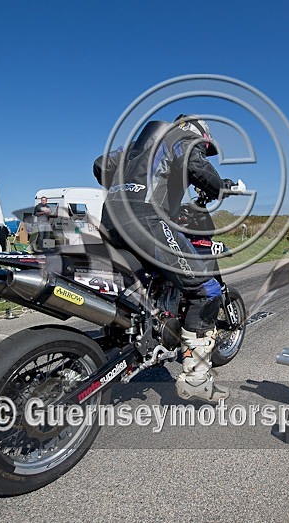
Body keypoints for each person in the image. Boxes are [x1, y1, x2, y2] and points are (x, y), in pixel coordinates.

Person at [93, 115, 236, 402]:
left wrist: (125, 186)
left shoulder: (136, 146)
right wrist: (219, 186)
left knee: (134, 285)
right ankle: (197, 379)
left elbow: (100, 163)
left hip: (110, 219)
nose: (203, 150)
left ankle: (125, 337)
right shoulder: (183, 138)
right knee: (205, 289)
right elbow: (197, 166)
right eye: (205, 147)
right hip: (145, 218)